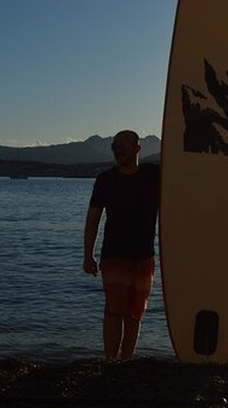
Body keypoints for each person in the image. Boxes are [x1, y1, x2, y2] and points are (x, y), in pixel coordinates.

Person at [83, 130, 159, 360]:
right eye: (115, 146)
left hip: (144, 256)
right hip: (114, 255)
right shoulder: (105, 180)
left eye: (123, 146)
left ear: (137, 149)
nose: (118, 150)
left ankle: (126, 362)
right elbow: (93, 218)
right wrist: (88, 255)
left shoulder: (154, 175)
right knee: (114, 310)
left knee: (135, 314)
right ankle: (109, 362)